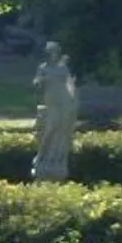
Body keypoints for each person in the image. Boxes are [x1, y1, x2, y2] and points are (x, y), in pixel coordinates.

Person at [31, 42, 79, 181]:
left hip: (63, 100)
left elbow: (69, 84)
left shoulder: (62, 68)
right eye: (50, 52)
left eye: (55, 52)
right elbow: (36, 82)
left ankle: (56, 156)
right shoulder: (44, 68)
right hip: (51, 101)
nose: (53, 55)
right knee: (51, 128)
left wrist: (72, 97)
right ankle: (41, 155)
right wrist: (42, 80)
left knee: (62, 129)